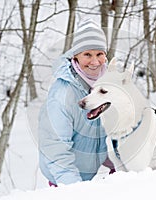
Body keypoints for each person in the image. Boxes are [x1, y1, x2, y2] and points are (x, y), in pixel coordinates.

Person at [38, 19, 114, 187]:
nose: (95, 62)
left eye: (99, 54)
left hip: (88, 178)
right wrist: (75, 191)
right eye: (87, 54)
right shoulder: (62, 95)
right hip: (64, 181)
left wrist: (122, 166)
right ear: (75, 56)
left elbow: (114, 132)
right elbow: (56, 151)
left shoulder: (109, 86)